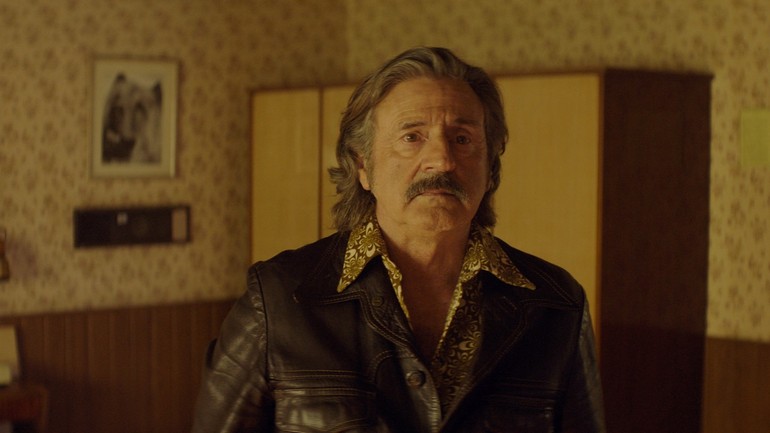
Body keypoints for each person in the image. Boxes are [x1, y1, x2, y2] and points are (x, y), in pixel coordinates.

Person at [192, 46, 605, 433]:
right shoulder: (279, 299)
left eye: (462, 139)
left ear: (490, 166)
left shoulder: (556, 306)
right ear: (362, 165)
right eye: (412, 137)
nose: (442, 160)